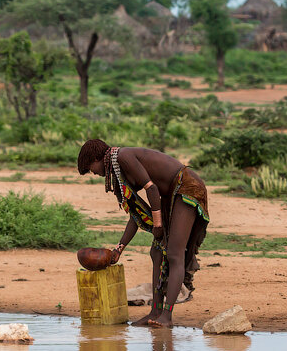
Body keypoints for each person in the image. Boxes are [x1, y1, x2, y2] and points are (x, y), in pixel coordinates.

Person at [77, 139, 209, 327]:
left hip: (186, 188)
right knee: (156, 252)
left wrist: (157, 224)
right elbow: (135, 216)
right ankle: (155, 311)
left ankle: (167, 316)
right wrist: (119, 249)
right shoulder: (119, 171)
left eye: (91, 168)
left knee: (173, 253)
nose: (94, 173)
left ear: (97, 158)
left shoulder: (123, 157)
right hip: (169, 196)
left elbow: (152, 189)